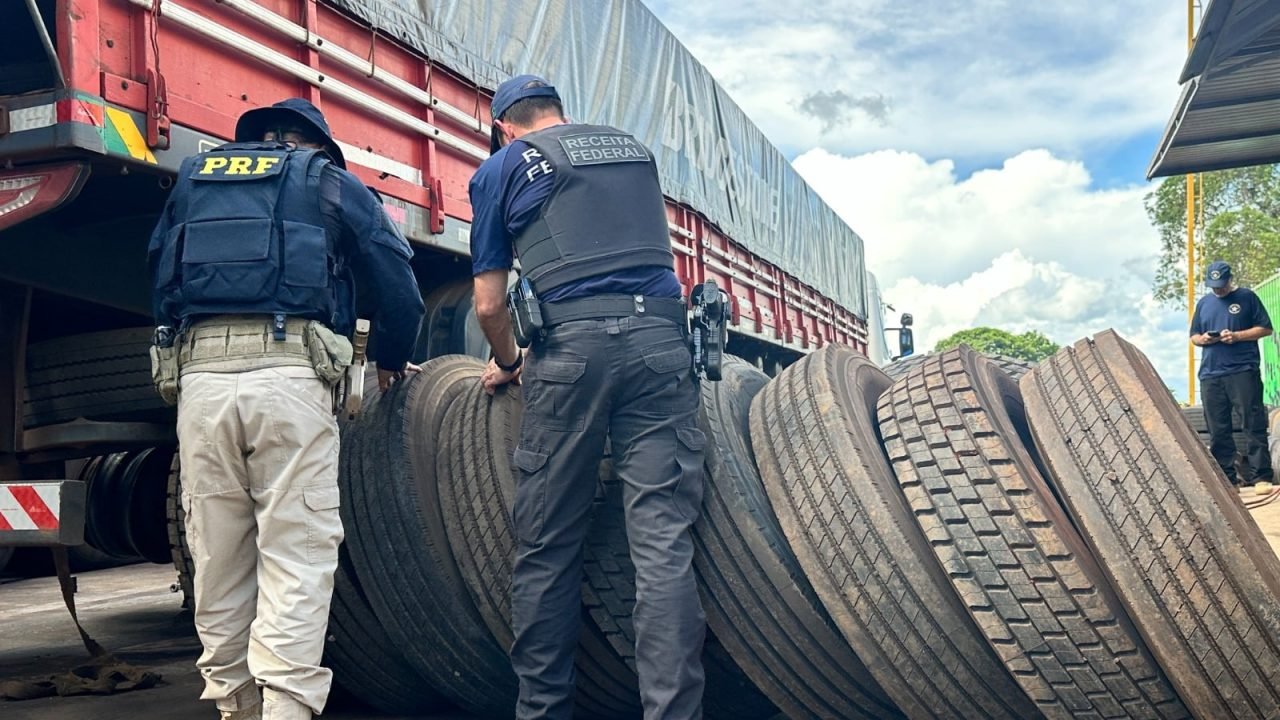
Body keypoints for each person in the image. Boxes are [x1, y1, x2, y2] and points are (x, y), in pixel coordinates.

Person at [147, 98, 424, 720]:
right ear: (315, 143)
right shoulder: (328, 181)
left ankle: (234, 705)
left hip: (201, 383)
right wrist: (389, 356)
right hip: (290, 379)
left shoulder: (195, 179)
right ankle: (288, 710)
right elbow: (396, 279)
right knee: (296, 554)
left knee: (218, 555)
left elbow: (158, 269)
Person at [468, 75, 706, 719]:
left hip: (572, 351)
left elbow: (490, 303)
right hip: (662, 342)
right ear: (561, 113)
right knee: (663, 548)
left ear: (503, 125)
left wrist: (511, 361)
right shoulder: (630, 149)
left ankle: (543, 713)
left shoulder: (502, 165)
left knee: (548, 544)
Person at [1190, 260, 1274, 487]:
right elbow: (1194, 336)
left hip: (1242, 370)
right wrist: (1205, 339)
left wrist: (1236, 336)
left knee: (1252, 422)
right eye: (1214, 285)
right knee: (1218, 429)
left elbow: (1265, 328)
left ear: (1230, 279)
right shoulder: (1204, 303)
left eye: (1221, 284)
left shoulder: (1247, 297)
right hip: (1211, 373)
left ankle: (1261, 477)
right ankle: (1227, 480)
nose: (1218, 289)